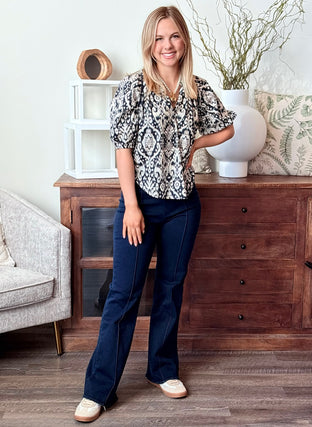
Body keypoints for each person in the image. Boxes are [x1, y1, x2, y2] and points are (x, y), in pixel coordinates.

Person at [74, 5, 235, 423]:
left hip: (184, 206)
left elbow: (228, 128)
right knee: (123, 295)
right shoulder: (133, 87)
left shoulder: (197, 88)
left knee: (170, 289)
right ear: (150, 42)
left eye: (175, 36)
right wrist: (130, 206)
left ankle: (162, 369)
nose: (168, 45)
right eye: (160, 37)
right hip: (139, 205)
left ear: (184, 41)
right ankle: (98, 389)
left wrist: (196, 146)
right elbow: (122, 148)